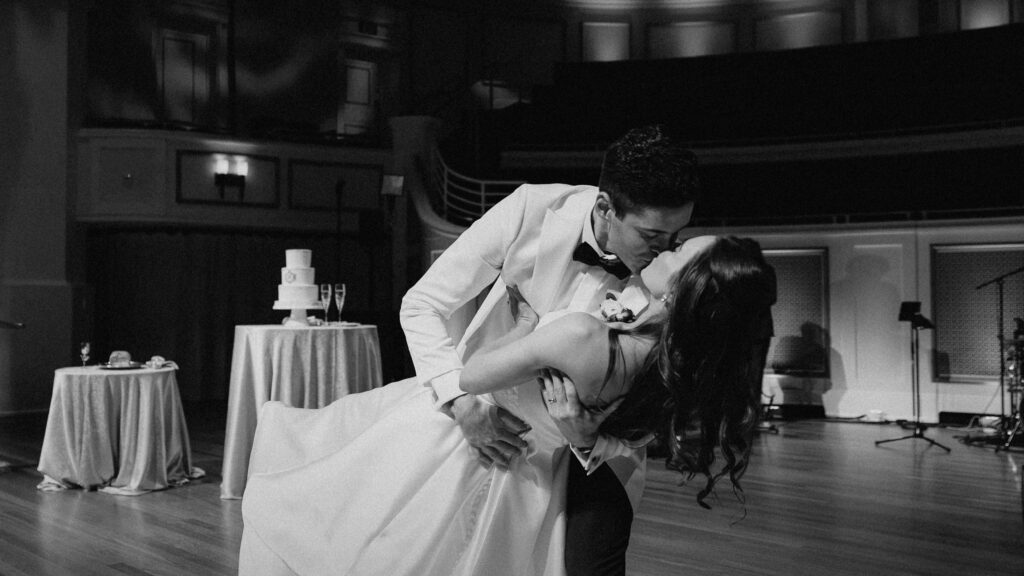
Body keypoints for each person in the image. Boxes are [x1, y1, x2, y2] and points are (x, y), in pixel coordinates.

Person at [238, 235, 777, 575]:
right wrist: (583, 433)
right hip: (538, 477)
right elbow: (639, 436)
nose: (667, 246)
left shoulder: (585, 335)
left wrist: (524, 329)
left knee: (358, 531)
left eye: (679, 251)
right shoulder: (670, 367)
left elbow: (472, 375)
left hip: (480, 444)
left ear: (682, 290)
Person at [399, 124, 699, 575]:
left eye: (675, 238)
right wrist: (461, 404)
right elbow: (421, 304)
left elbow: (660, 407)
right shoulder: (531, 210)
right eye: (651, 237)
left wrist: (589, 440)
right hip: (490, 423)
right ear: (605, 208)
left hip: (600, 450)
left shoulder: (668, 281)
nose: (665, 252)